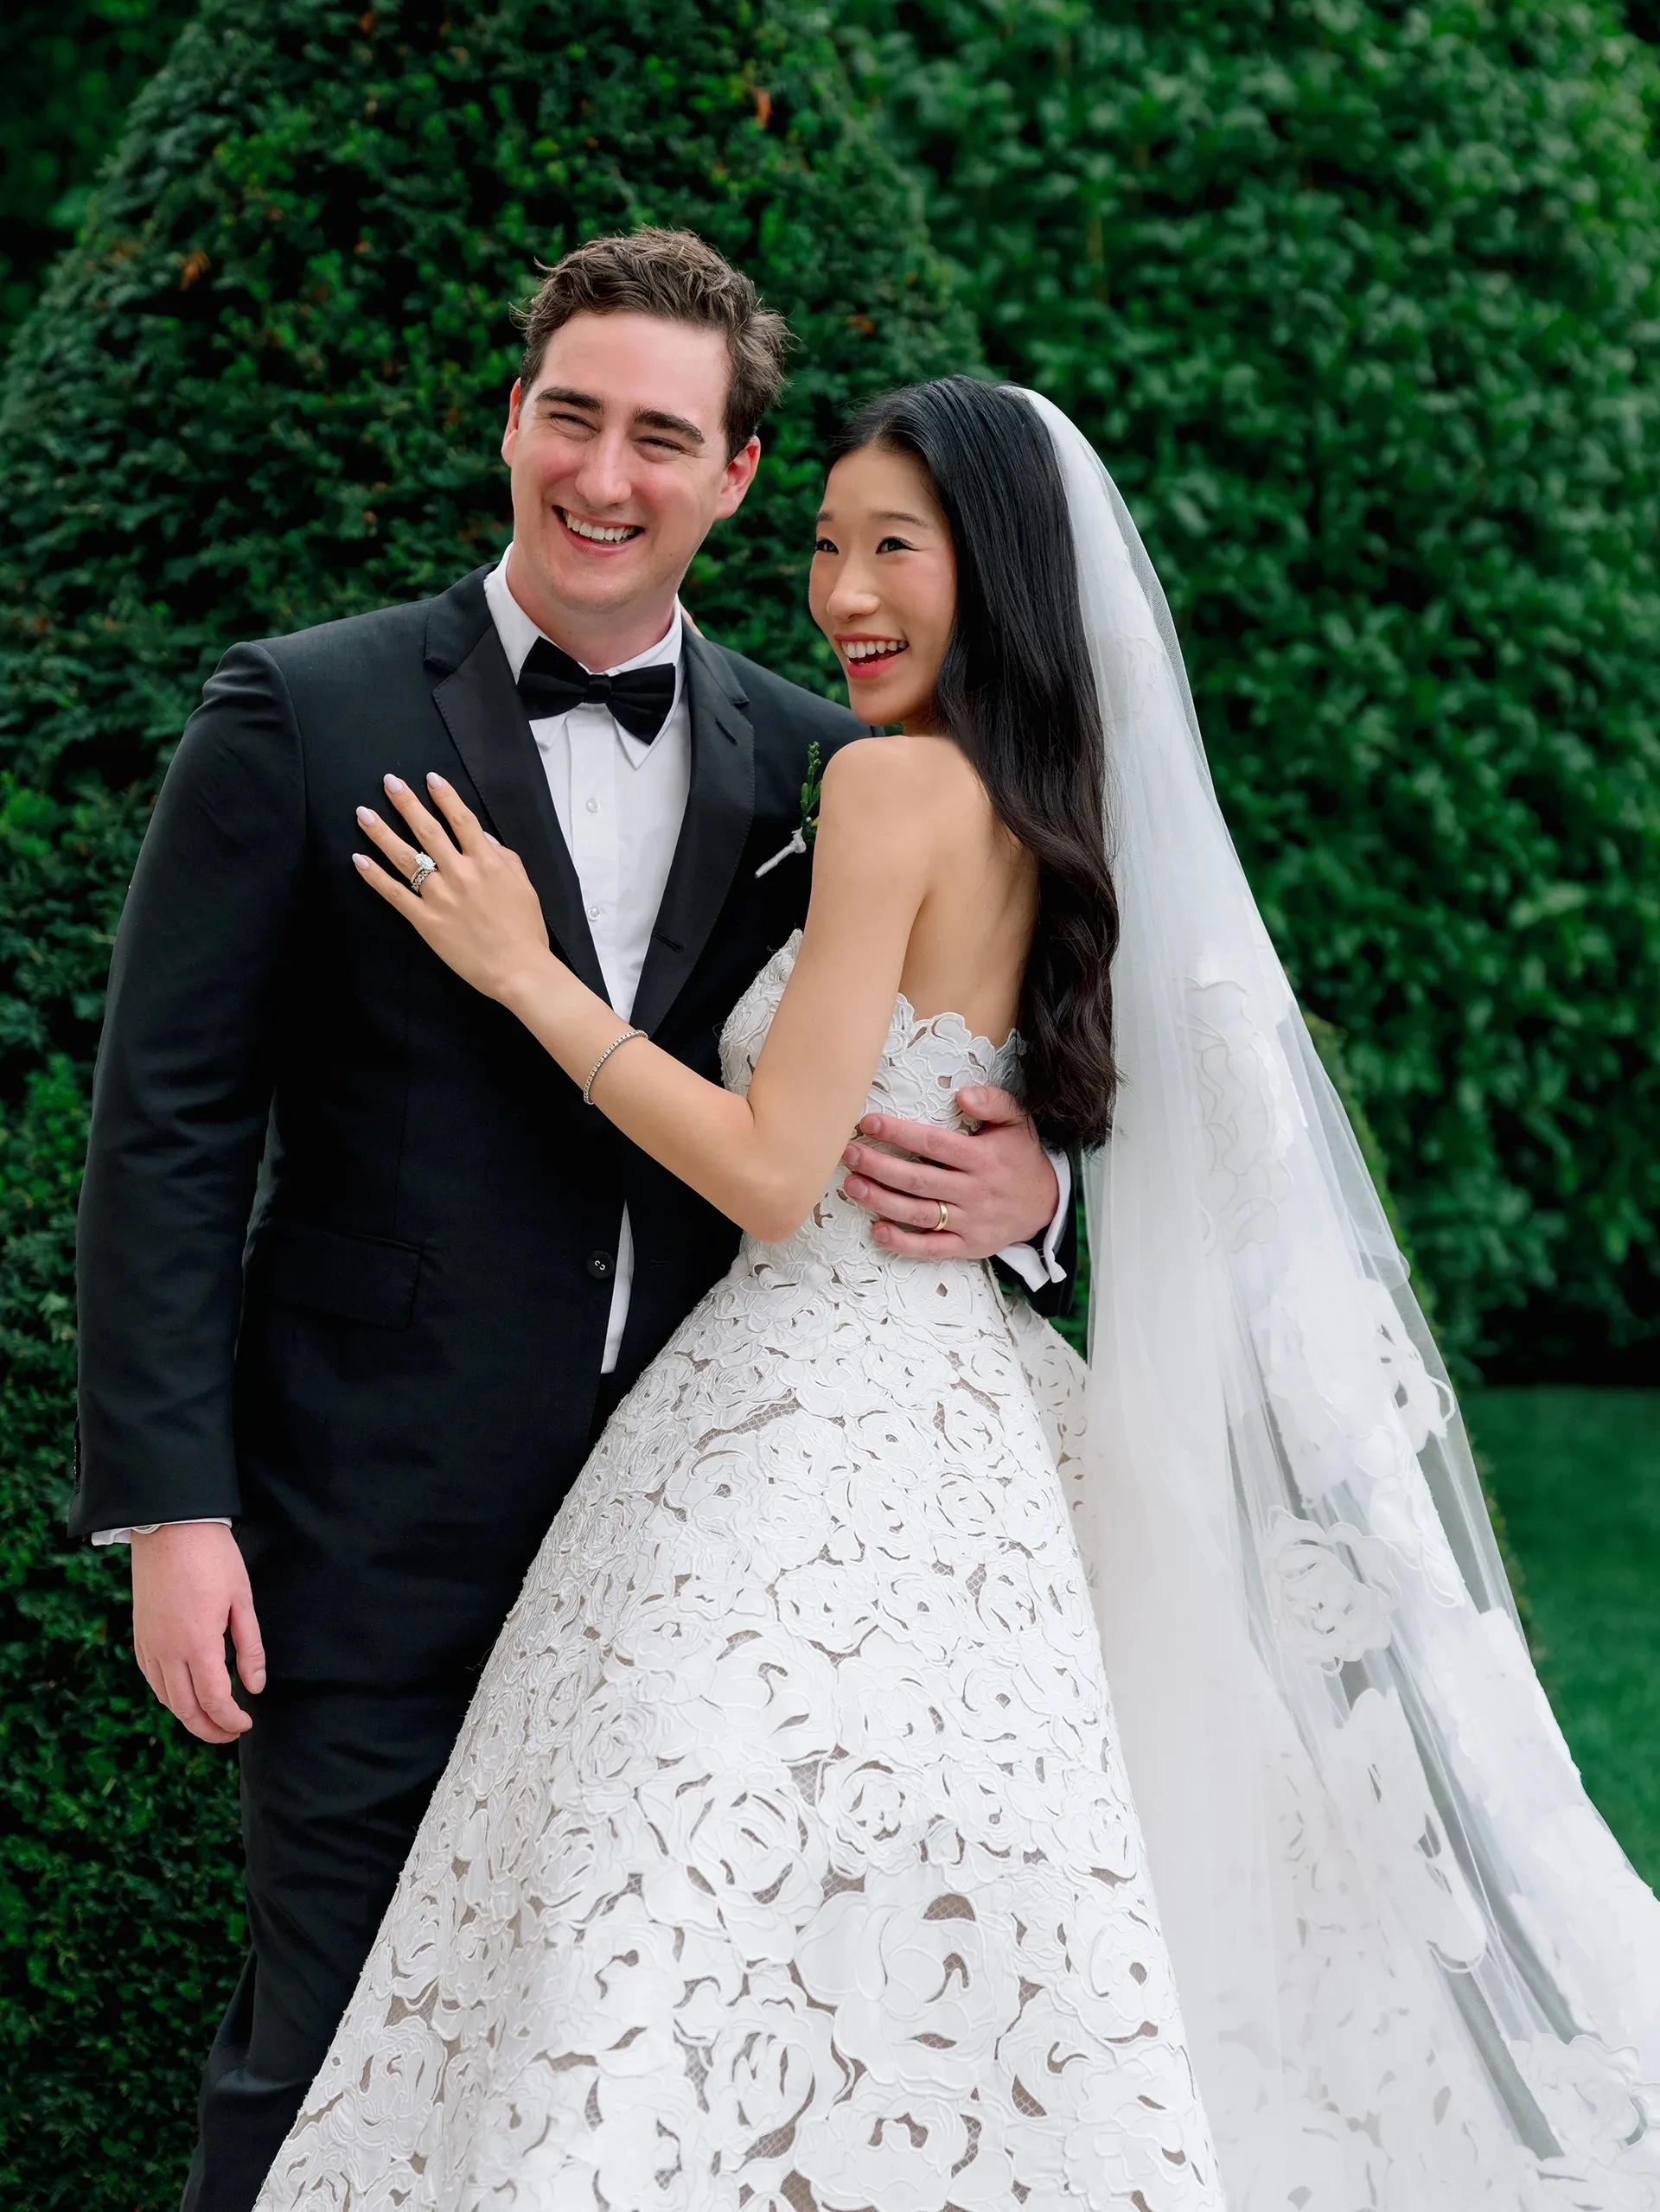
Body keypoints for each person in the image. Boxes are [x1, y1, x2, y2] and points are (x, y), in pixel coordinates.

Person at [258, 377, 1660, 2211]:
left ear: (993, 568)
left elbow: (776, 1170)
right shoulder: (1047, 802)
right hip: (971, 1408)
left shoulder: (887, 782)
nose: (843, 594)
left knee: (697, 1901)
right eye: (825, 544)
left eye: (894, 549)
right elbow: (1151, 1092)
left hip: (808, 1413)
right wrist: (1045, 1183)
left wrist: (527, 973)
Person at [68, 233, 1068, 2212]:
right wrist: (172, 1510)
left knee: (631, 2091)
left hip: (711, 1553)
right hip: (375, 1520)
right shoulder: (303, 712)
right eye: (572, 417)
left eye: (662, 438)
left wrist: (1034, 1189)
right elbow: (167, 1127)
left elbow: (980, 1046)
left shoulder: (829, 756)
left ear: (736, 473)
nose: (606, 475)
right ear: (511, 420)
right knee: (331, 2059)